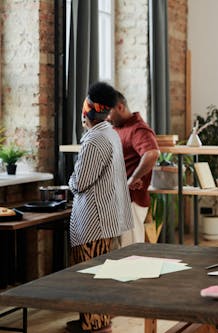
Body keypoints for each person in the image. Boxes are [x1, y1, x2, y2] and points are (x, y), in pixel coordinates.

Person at [67, 82, 133, 333]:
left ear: (88, 110)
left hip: (94, 220)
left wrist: (70, 181)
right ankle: (94, 321)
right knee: (100, 271)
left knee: (91, 272)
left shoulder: (95, 139)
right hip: (107, 216)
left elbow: (81, 181)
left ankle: (94, 326)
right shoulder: (111, 133)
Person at [106, 91, 160, 245]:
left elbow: (152, 154)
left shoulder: (138, 129)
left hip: (131, 201)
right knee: (120, 253)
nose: (107, 118)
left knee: (130, 251)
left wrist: (134, 178)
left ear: (120, 107)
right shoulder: (117, 128)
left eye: (109, 112)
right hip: (118, 199)